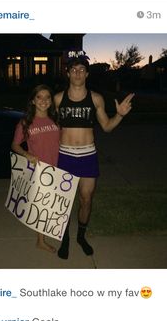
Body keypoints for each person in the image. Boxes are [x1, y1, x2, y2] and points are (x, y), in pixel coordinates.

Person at [54, 51, 134, 259]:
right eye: (74, 69)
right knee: (64, 201)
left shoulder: (96, 98)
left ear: (87, 74)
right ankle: (65, 239)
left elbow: (107, 126)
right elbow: (49, 129)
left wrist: (119, 115)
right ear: (68, 73)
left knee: (86, 199)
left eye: (82, 70)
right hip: (65, 156)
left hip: (88, 156)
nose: (78, 73)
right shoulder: (58, 99)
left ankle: (81, 236)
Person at [11, 84, 60, 253]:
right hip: (39, 170)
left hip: (56, 168)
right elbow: (15, 145)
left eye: (47, 97)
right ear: (33, 100)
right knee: (42, 206)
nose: (44, 101)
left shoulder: (55, 119)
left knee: (50, 204)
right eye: (39, 97)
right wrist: (27, 154)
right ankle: (41, 241)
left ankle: (44, 234)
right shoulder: (26, 122)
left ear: (51, 101)